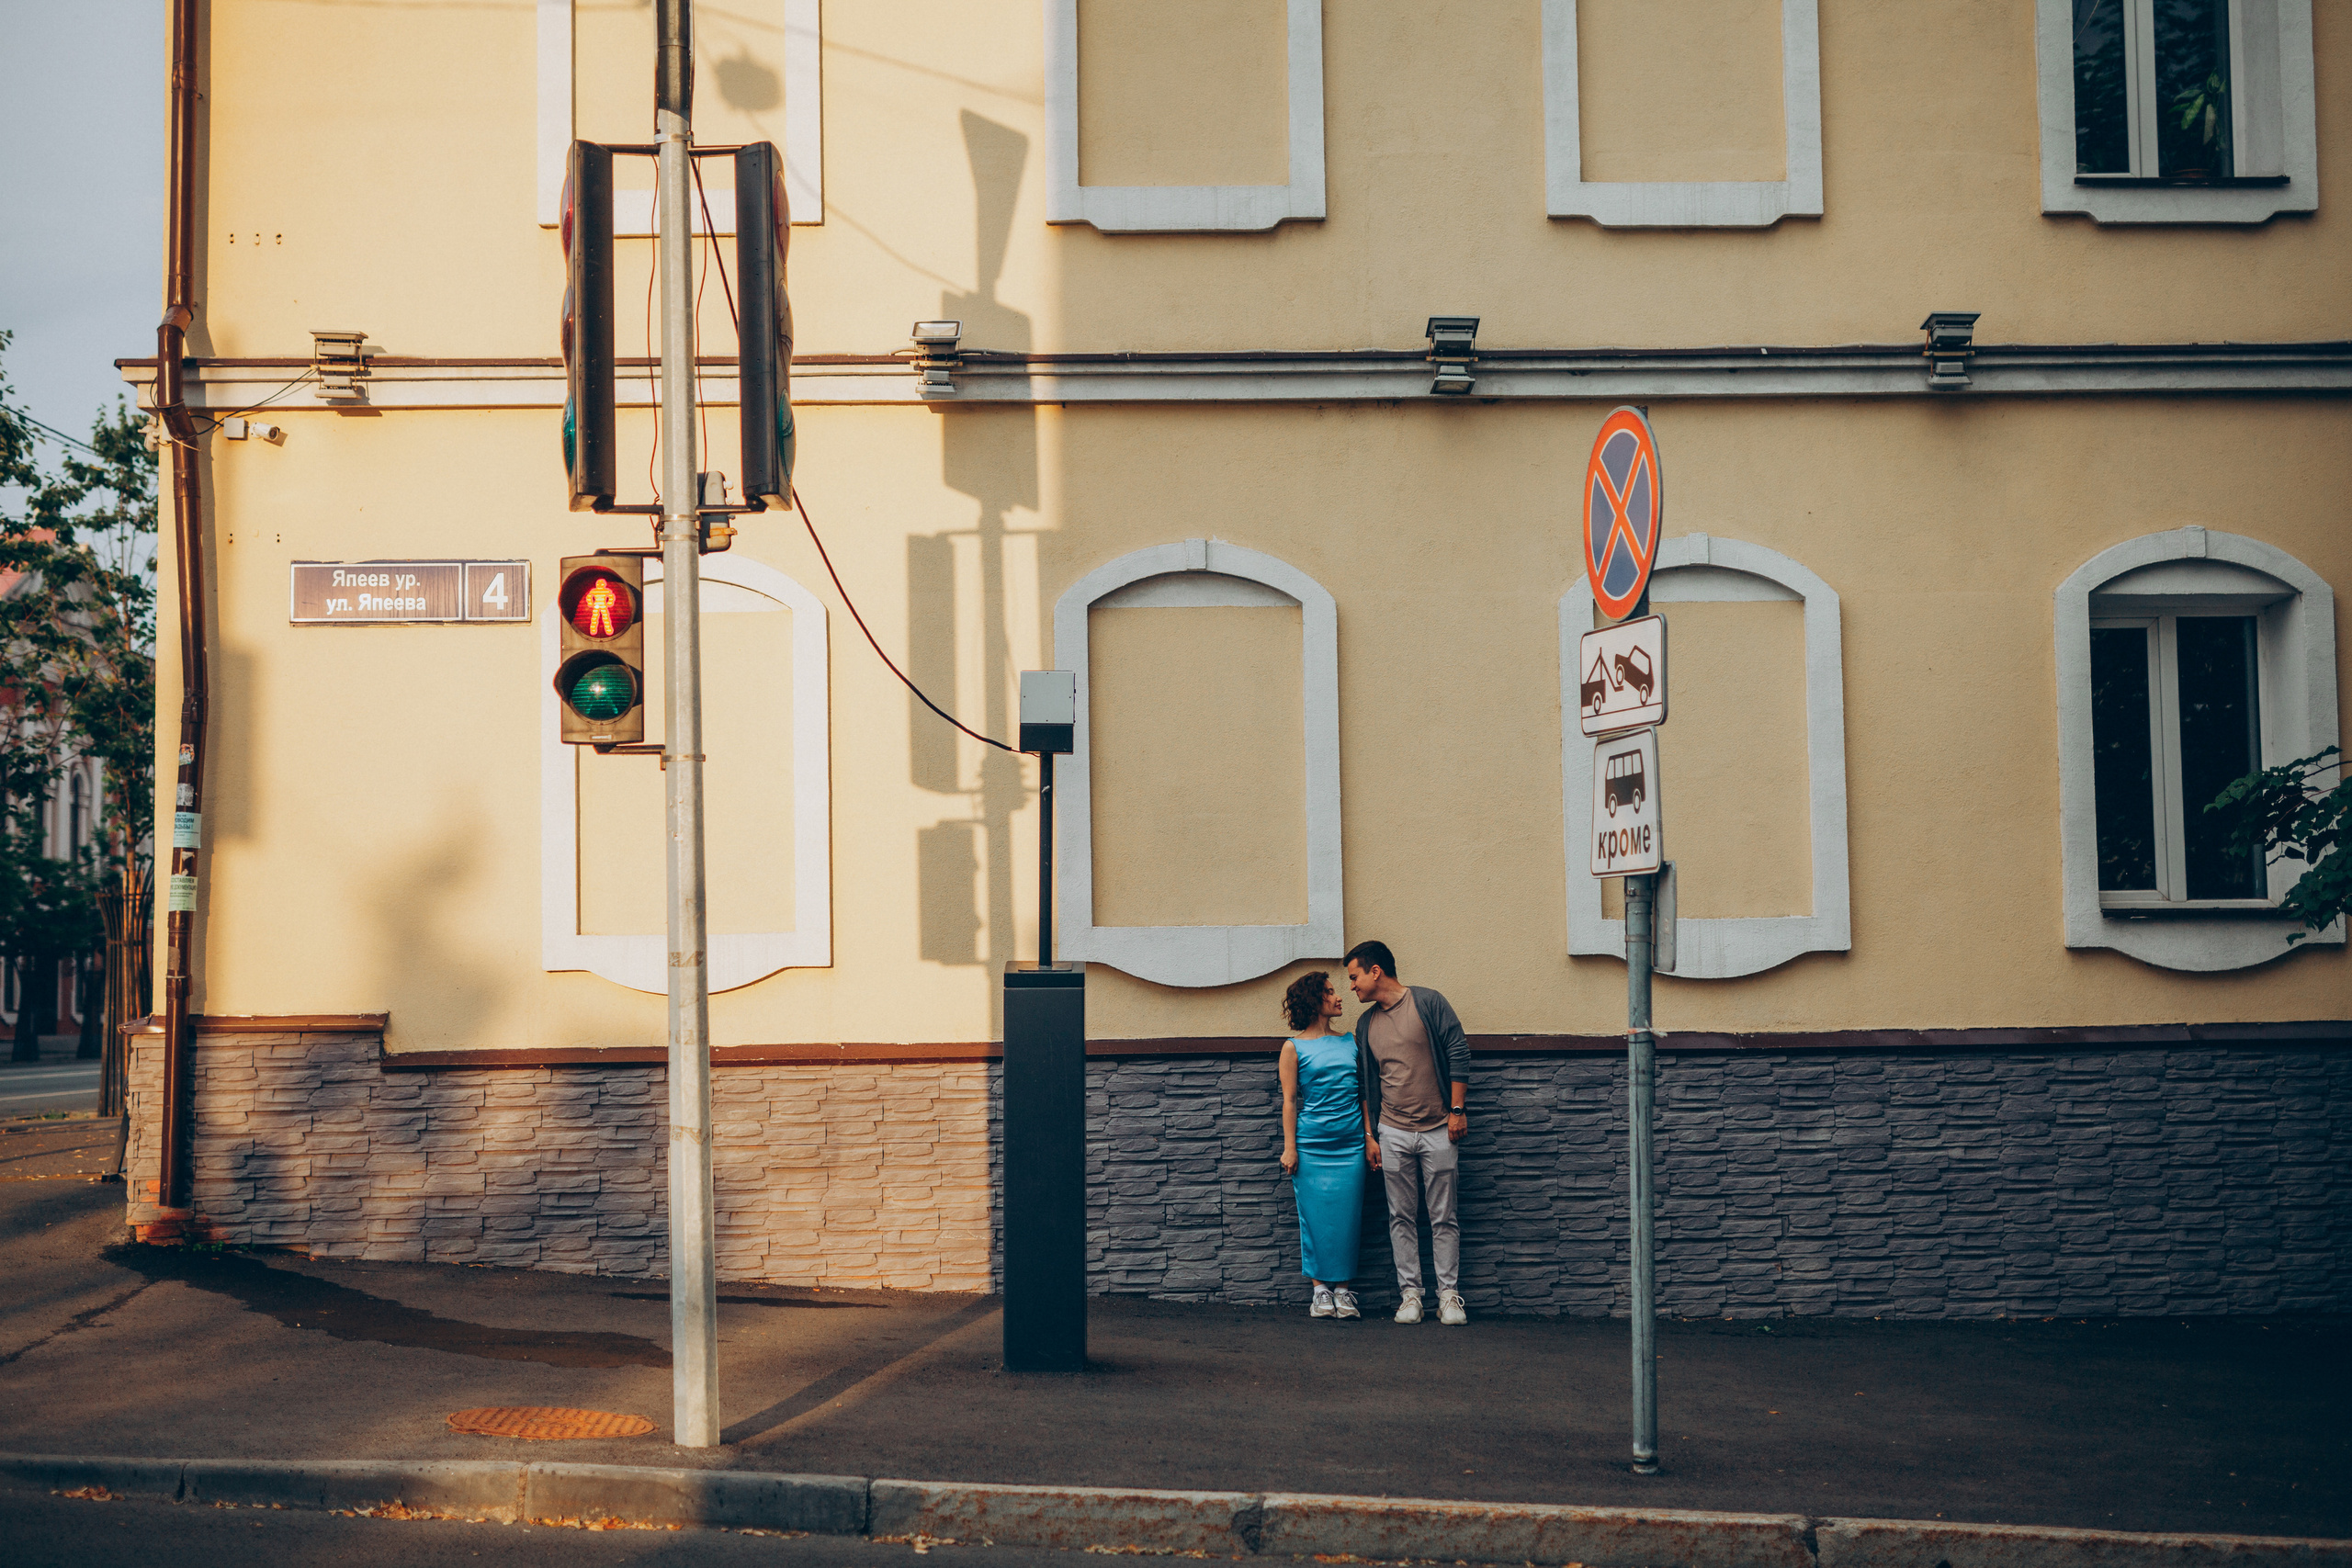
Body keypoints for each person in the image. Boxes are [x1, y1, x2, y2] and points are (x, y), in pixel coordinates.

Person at [1345, 939, 1470, 1326]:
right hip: (1393, 1132)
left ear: (1375, 971)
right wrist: (1371, 1135)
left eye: (1354, 977)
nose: (1352, 987)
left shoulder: (1428, 1003)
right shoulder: (1365, 1024)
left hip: (1438, 1129)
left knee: (1443, 1216)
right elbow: (1366, 1085)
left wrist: (1457, 1110)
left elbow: (1458, 1052)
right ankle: (1411, 1295)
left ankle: (1448, 1296)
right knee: (1400, 1216)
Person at [1278, 970, 1366, 1320]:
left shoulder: (1351, 1041)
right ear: (1315, 1000)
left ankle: (1343, 1291)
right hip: (1312, 1144)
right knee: (1313, 1217)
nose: (1339, 996)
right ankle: (1320, 1292)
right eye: (1330, 992)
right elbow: (1289, 1102)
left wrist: (1370, 1138)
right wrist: (1290, 1147)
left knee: (1348, 1216)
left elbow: (1363, 1095)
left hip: (1351, 1144)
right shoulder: (1293, 1047)